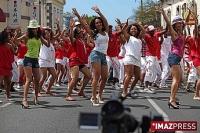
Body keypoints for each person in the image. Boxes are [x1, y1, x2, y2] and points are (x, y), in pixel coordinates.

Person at [15, 19, 52, 108]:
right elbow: (16, 41)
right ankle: (24, 100)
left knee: (37, 79)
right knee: (29, 79)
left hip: (35, 59)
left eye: (35, 28)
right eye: (32, 28)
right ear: (30, 29)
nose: (34, 30)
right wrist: (17, 34)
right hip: (27, 59)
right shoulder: (27, 35)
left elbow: (47, 45)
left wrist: (48, 38)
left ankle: (36, 98)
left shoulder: (39, 37)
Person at [159, 8, 185, 109]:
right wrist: (164, 13)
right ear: (174, 25)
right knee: (176, 79)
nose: (180, 24)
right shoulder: (173, 33)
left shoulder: (181, 33)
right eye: (177, 23)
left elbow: (185, 23)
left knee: (179, 80)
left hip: (177, 58)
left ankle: (172, 97)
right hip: (174, 57)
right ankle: (172, 100)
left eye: (180, 23)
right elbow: (169, 24)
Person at [121, 21, 144, 97]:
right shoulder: (128, 37)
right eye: (132, 29)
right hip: (129, 58)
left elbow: (143, 31)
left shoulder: (139, 38)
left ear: (137, 30)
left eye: (135, 29)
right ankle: (124, 91)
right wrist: (126, 25)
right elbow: (123, 31)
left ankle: (130, 90)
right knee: (129, 75)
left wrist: (138, 24)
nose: (133, 30)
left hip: (137, 59)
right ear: (129, 31)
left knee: (137, 77)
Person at [0, 28, 15, 101]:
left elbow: (15, 52)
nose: (9, 37)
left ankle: (8, 94)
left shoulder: (10, 45)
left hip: (8, 65)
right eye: (8, 36)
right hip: (1, 65)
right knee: (0, 82)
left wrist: (12, 43)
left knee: (8, 81)